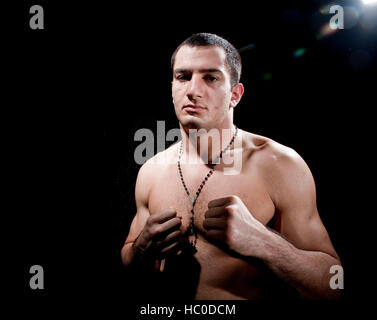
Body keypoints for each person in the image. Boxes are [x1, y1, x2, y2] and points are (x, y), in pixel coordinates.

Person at [121, 33, 341, 300]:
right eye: (183, 76)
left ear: (235, 95)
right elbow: (128, 262)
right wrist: (141, 249)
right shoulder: (152, 171)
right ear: (172, 87)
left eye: (211, 78)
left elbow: (333, 284)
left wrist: (263, 243)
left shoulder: (278, 164)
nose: (193, 90)